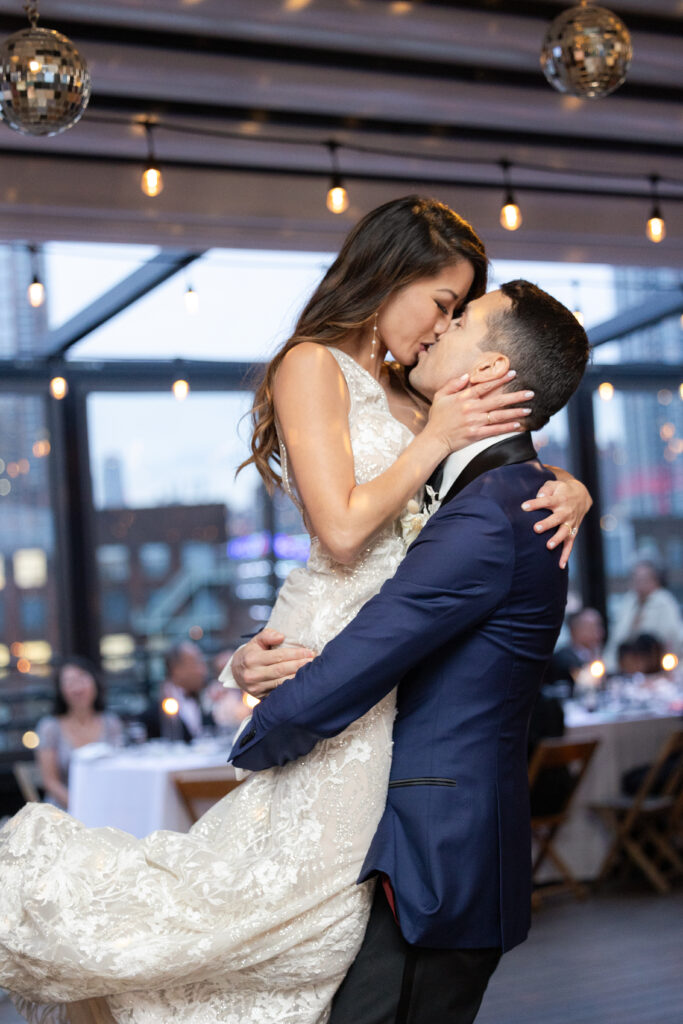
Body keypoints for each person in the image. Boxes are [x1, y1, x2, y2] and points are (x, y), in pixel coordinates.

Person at [0, 197, 589, 1024]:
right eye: (442, 305)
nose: (437, 328)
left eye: (457, 315)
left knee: (321, 928)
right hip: (341, 658)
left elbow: (488, 479)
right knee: (257, 900)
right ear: (390, 275)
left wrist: (572, 488)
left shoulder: (418, 396)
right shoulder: (312, 364)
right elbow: (344, 530)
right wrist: (252, 662)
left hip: (390, 680)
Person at [231, 279, 590, 1024]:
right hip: (432, 845)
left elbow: (370, 653)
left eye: (460, 320)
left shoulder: (492, 513)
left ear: (490, 371)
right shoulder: (497, 493)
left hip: (438, 854)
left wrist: (252, 743)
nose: (437, 330)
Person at [36, 658, 123, 810]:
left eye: (82, 678)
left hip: (108, 804)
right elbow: (50, 782)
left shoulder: (111, 723)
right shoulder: (50, 727)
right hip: (65, 811)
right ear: (60, 690)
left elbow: (121, 769)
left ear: (95, 682)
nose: (77, 687)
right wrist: (81, 806)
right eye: (69, 682)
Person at [604, 559, 683, 669]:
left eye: (643, 579)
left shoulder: (665, 602)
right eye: (636, 579)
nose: (639, 583)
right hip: (627, 663)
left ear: (655, 580)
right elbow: (617, 637)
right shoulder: (628, 602)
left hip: (656, 662)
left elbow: (672, 636)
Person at [140, 641, 210, 743]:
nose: (203, 670)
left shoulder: (206, 701)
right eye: (196, 663)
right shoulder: (153, 714)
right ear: (176, 669)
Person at [545, 606, 605, 695]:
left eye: (599, 626)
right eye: (592, 627)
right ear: (575, 630)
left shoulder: (595, 655)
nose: (599, 632)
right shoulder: (562, 659)